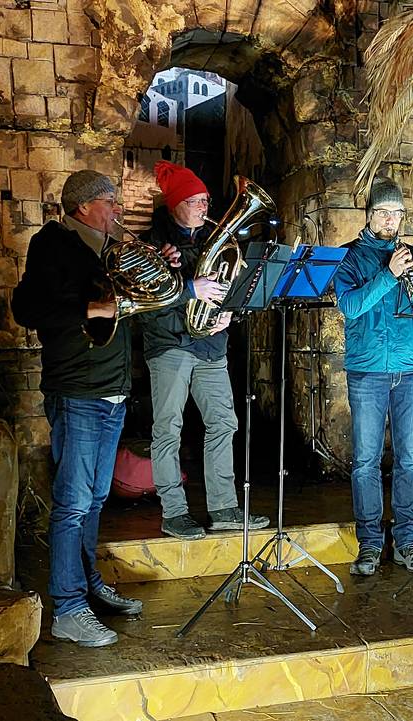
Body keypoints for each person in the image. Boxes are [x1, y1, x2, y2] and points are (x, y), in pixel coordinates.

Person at [12, 170, 168, 647]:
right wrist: (90, 309)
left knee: (96, 499)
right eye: (110, 202)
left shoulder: (108, 251)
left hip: (112, 389)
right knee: (73, 503)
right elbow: (27, 309)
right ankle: (68, 606)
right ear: (83, 207)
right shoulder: (53, 245)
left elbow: (140, 305)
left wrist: (156, 271)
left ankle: (87, 584)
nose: (119, 210)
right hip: (79, 390)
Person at [138, 161, 269, 541]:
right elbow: (147, 303)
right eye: (194, 200)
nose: (203, 207)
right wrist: (188, 290)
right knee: (168, 429)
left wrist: (229, 313)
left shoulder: (214, 242)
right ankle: (174, 512)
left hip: (212, 346)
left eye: (205, 200)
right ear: (175, 203)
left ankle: (224, 507)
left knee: (224, 423)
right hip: (170, 345)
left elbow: (232, 291)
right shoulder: (150, 243)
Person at [334, 176, 413, 576]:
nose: (392, 220)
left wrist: (410, 280)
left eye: (398, 213)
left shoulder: (412, 257)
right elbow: (351, 307)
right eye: (384, 212)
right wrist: (388, 275)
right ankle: (371, 544)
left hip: (410, 373)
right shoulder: (348, 257)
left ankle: (407, 543)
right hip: (367, 374)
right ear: (370, 214)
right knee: (365, 463)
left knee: (410, 461)